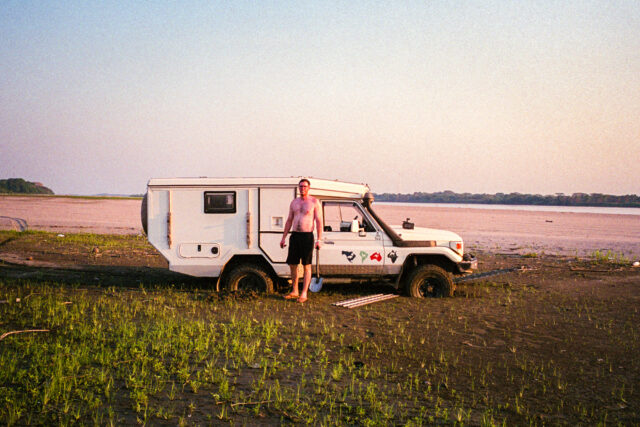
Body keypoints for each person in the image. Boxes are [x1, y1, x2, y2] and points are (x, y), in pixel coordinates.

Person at [280, 178, 323, 303]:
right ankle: (295, 291)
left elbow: (319, 221)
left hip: (307, 236)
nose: (302, 188)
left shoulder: (314, 202)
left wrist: (319, 239)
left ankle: (304, 293)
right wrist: (283, 238)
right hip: (295, 236)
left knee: (306, 265)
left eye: (304, 186)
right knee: (293, 264)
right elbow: (289, 220)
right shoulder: (294, 202)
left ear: (309, 188)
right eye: (300, 186)